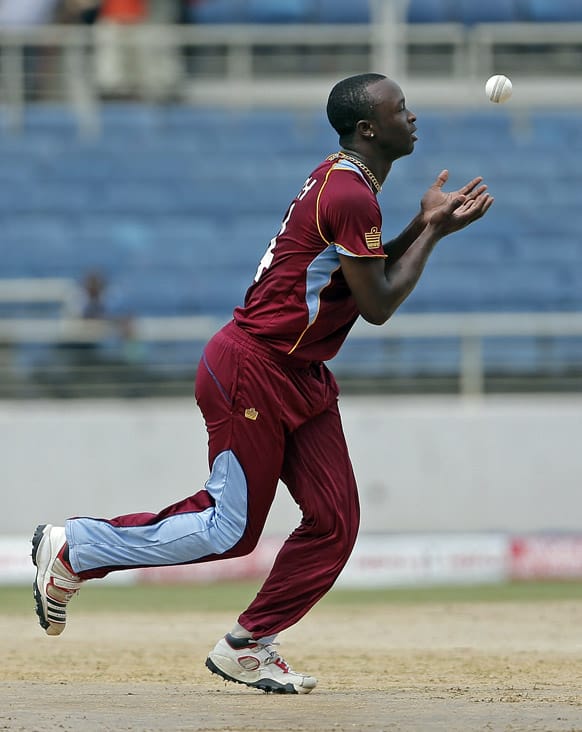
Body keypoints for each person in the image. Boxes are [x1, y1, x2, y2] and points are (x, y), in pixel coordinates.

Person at [32, 73, 494, 694]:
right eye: (400, 110)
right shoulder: (351, 194)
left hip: (297, 371)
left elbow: (358, 277)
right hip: (254, 367)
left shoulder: (345, 183)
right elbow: (378, 303)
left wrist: (421, 225)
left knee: (335, 522)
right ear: (368, 129)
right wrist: (432, 231)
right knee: (229, 529)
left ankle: (248, 646)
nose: (412, 118)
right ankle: (77, 548)